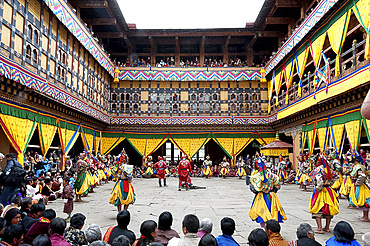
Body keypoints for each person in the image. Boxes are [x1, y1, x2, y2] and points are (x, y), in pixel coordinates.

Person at [249, 155, 287, 227]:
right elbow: (277, 186)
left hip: (261, 196)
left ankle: (265, 229)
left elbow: (253, 188)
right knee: (273, 212)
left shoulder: (255, 177)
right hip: (271, 195)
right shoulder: (273, 176)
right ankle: (273, 229)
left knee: (262, 214)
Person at [309, 154, 339, 234]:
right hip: (329, 190)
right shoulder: (329, 169)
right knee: (328, 208)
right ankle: (327, 227)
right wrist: (330, 183)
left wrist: (318, 188)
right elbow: (336, 177)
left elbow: (319, 180)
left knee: (317, 209)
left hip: (320, 191)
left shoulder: (318, 169)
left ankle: (319, 228)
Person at [349, 154, 370, 221]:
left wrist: (357, 183)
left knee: (363, 200)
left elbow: (362, 176)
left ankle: (366, 217)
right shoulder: (360, 166)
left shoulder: (358, 167)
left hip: (361, 186)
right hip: (360, 185)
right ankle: (365, 216)